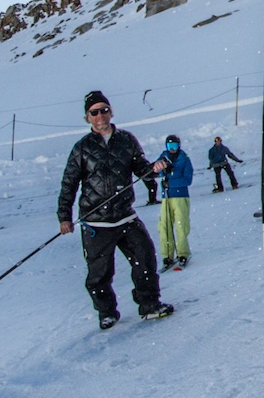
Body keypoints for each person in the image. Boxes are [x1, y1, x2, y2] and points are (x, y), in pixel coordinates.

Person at [58, 90, 171, 329]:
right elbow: (69, 183)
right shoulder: (81, 148)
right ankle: (106, 312)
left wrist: (155, 168)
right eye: (94, 112)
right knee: (99, 273)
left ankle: (149, 304)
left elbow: (141, 169)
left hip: (125, 216)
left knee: (145, 257)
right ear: (87, 117)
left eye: (104, 110)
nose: (100, 116)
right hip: (96, 222)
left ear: (111, 112)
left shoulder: (127, 140)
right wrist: (64, 217)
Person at [157, 135, 193, 271]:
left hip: (180, 196)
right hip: (166, 197)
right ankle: (167, 255)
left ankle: (183, 253)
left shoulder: (184, 159)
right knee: (164, 226)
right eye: (169, 147)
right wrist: (163, 171)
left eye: (174, 146)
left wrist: (171, 181)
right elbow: (155, 169)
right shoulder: (163, 158)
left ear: (179, 146)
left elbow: (187, 180)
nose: (172, 150)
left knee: (180, 224)